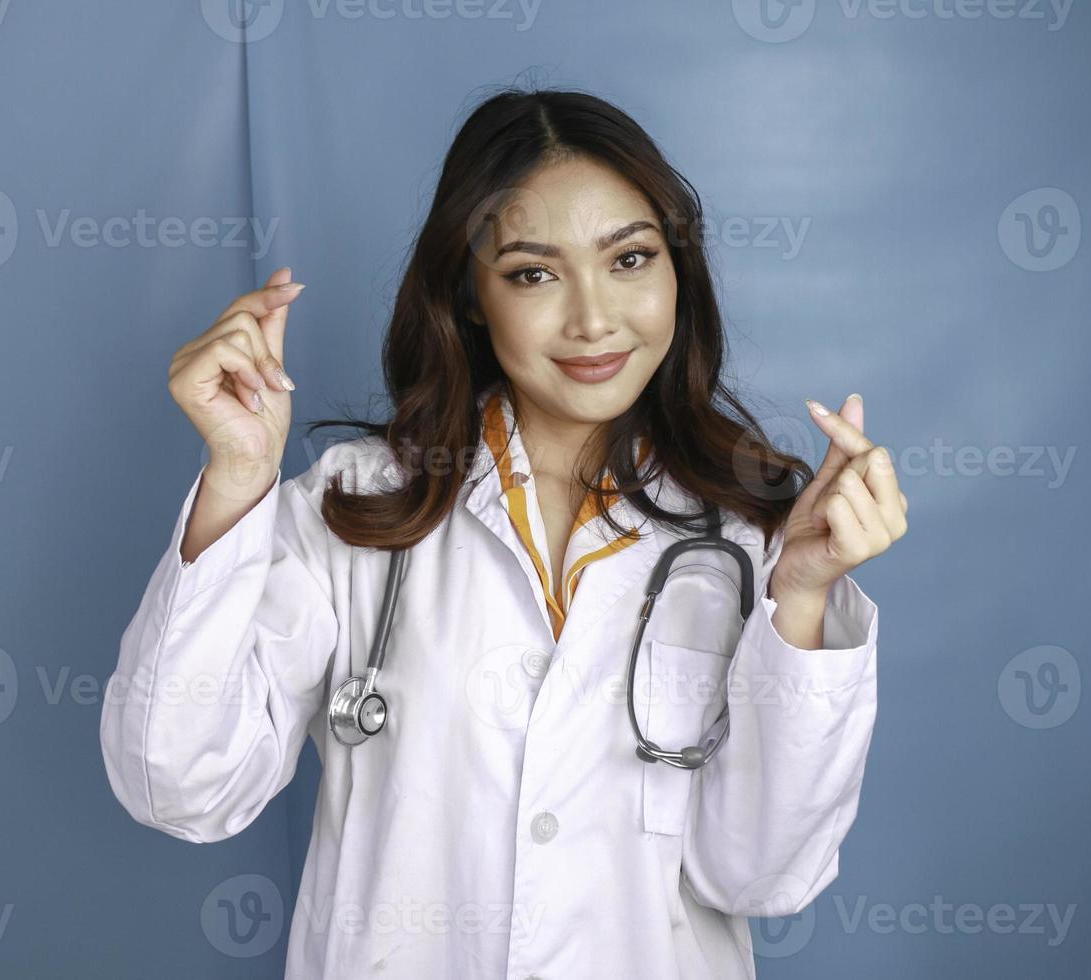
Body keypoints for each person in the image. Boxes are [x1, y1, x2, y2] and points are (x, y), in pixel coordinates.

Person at [100, 86, 907, 980]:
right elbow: (177, 784)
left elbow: (760, 875)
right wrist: (238, 480)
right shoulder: (359, 506)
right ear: (472, 295)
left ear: (678, 270)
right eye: (533, 272)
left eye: (630, 259)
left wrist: (800, 597)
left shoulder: (746, 537)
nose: (593, 318)